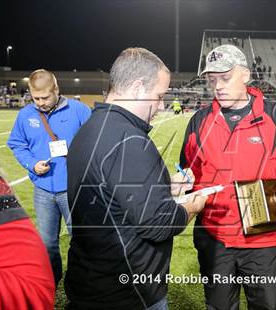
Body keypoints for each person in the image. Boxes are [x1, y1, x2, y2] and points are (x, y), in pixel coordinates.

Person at [65, 47, 207, 310]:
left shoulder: (90, 127)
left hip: (91, 279)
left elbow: (111, 195)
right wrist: (194, 204)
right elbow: (159, 223)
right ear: (138, 87)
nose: (162, 105)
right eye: (159, 95)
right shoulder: (128, 138)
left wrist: (165, 186)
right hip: (127, 291)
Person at [180, 45, 276, 310]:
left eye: (225, 77)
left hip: (263, 240)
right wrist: (182, 181)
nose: (218, 86)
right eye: (212, 80)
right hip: (214, 237)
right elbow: (188, 168)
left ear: (245, 75)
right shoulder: (199, 121)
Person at [7, 69, 92, 285]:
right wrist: (31, 164)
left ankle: (79, 283)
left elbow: (95, 144)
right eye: (36, 98)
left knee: (80, 242)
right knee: (46, 244)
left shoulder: (79, 110)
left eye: (45, 97)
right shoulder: (26, 115)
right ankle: (52, 282)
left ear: (56, 90)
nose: (40, 102)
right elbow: (17, 144)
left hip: (73, 191)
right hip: (43, 191)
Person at [0, 150, 55, 309]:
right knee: (50, 243)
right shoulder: (24, 123)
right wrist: (31, 163)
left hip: (67, 184)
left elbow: (33, 290)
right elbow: (17, 143)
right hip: (44, 185)